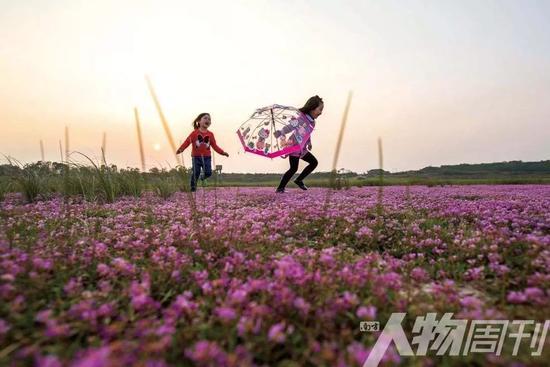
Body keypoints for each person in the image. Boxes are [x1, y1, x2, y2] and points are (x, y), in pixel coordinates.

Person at [276, 95, 323, 193]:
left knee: (314, 162)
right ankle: (280, 188)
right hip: (294, 146)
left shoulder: (313, 122)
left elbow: (307, 133)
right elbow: (289, 127)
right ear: (312, 108)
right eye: (320, 109)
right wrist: (281, 132)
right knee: (293, 168)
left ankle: (299, 180)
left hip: (302, 148)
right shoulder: (301, 119)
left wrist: (309, 143)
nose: (321, 112)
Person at [176, 113, 229, 192]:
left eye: (209, 119)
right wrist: (181, 149)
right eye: (205, 118)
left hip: (207, 157)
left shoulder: (210, 134)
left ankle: (202, 177)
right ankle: (193, 188)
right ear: (198, 121)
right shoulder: (194, 133)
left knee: (208, 172)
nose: (207, 120)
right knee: (195, 172)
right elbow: (187, 142)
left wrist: (222, 152)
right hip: (196, 157)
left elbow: (215, 146)